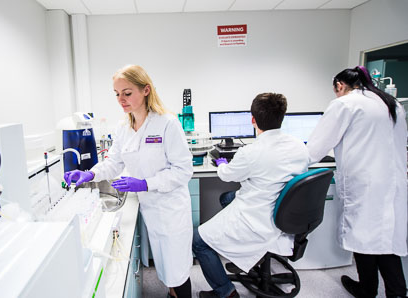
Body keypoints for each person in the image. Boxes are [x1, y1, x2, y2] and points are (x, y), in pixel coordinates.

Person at [64, 65, 194, 298]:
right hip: (151, 209)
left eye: (127, 92)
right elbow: (114, 163)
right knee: (166, 270)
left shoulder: (167, 123)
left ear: (145, 90)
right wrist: (90, 174)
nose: (120, 99)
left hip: (171, 209)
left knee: (178, 271)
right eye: (116, 93)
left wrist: (144, 183)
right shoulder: (123, 128)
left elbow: (184, 170)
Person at [192, 93, 309, 298]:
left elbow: (227, 175)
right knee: (227, 198)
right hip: (285, 215)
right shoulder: (300, 146)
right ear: (282, 117)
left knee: (197, 241)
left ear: (253, 120)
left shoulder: (251, 152)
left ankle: (226, 292)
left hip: (259, 219)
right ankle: (247, 255)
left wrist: (221, 163)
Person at [306, 66, 407, 298]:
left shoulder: (345, 104)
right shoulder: (392, 103)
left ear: (339, 85)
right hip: (393, 184)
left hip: (366, 185)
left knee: (366, 240)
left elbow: (315, 148)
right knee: (386, 243)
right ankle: (392, 291)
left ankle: (370, 289)